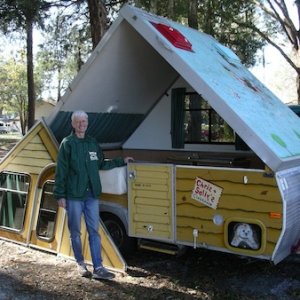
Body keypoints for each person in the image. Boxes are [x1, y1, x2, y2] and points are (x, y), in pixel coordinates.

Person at [53, 110, 132, 280]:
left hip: (91, 195)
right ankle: (80, 263)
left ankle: (98, 267)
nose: (82, 124)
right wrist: (60, 195)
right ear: (73, 124)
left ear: (87, 123)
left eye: (84, 121)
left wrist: (120, 161)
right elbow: (61, 171)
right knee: (75, 231)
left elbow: (101, 163)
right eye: (79, 122)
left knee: (94, 231)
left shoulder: (92, 143)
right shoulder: (67, 144)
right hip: (74, 195)